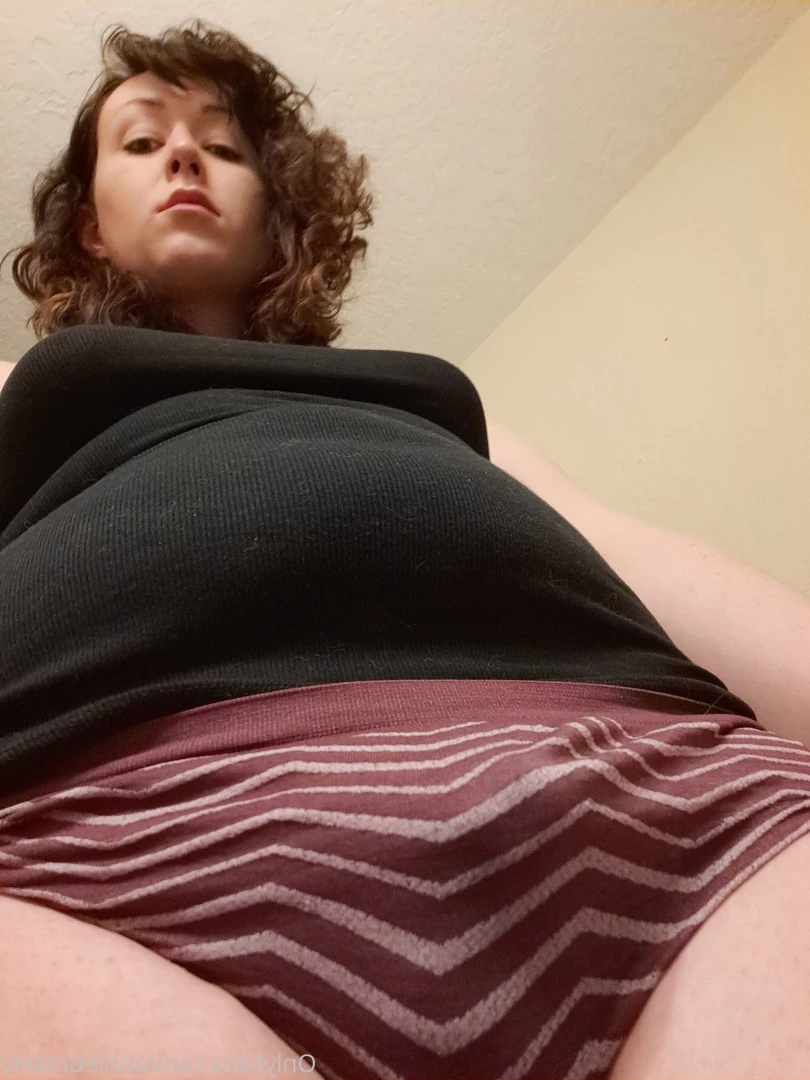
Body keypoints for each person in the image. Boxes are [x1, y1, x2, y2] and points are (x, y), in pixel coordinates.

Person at [2, 18, 810, 1080]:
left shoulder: (416, 393)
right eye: (143, 140)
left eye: (224, 144)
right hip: (102, 850)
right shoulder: (21, 390)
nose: (186, 154)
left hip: (666, 795)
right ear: (91, 229)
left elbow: (618, 546)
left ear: (277, 217)